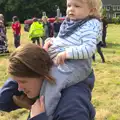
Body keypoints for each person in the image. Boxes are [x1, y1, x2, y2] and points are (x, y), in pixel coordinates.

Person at [0, 43, 95, 120]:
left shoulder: (72, 103)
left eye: (23, 81)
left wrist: (38, 118)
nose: (19, 88)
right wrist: (25, 61)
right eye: (16, 82)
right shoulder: (45, 88)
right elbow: (2, 101)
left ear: (41, 73)